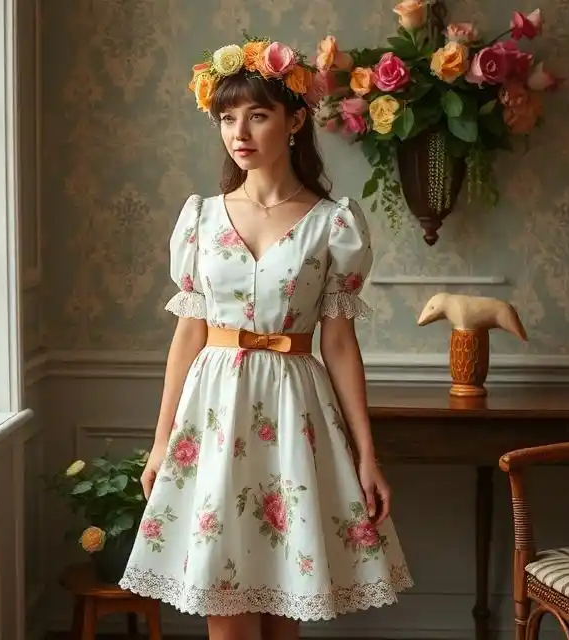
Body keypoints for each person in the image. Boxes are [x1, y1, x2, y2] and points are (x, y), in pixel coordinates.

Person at [119, 35, 413, 640]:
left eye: (257, 114)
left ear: (296, 121)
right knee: (223, 603)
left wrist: (366, 454)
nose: (239, 132)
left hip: (296, 413)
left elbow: (338, 345)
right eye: (227, 118)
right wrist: (159, 444)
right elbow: (187, 338)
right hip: (213, 415)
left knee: (287, 602)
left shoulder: (333, 223)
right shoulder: (199, 218)